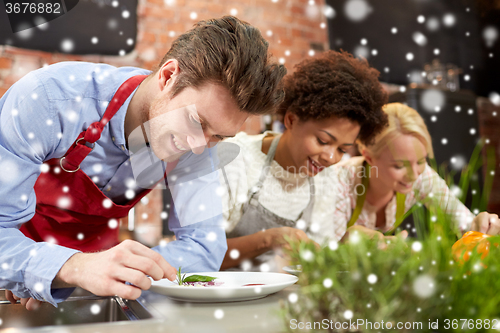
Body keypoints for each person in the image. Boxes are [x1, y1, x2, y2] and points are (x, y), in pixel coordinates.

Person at [0, 16, 286, 310]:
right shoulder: (47, 99)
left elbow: (205, 247)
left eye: (219, 137)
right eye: (195, 121)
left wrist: (126, 269)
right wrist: (64, 268)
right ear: (168, 76)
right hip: (15, 285)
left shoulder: (201, 140)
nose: (200, 147)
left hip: (103, 293)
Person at [219, 50, 388, 270]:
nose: (330, 158)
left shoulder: (326, 176)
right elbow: (196, 253)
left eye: (342, 149)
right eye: (323, 140)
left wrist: (346, 245)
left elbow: (314, 260)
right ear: (291, 119)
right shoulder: (235, 159)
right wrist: (270, 240)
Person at [333, 102, 500, 238]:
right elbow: (322, 245)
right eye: (399, 165)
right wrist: (348, 237)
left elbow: (460, 219)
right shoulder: (339, 180)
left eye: (421, 161)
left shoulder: (423, 176)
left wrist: (480, 225)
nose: (413, 175)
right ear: (368, 157)